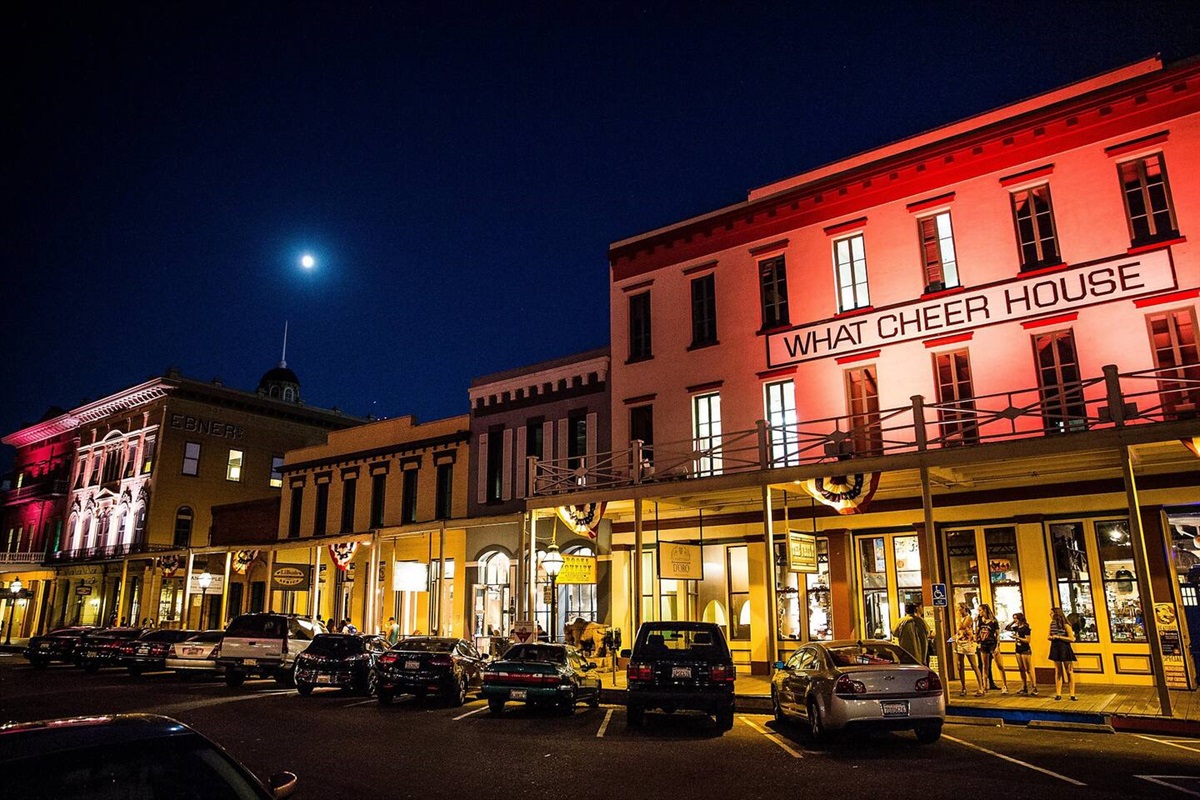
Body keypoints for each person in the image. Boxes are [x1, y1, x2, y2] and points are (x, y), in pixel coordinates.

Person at [953, 602, 986, 697]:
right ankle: (963, 687)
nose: (958, 610)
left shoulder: (968, 618)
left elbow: (961, 626)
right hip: (959, 642)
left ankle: (981, 687)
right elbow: (958, 631)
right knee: (960, 665)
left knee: (974, 665)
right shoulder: (958, 619)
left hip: (968, 643)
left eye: (959, 608)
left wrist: (959, 617)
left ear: (964, 609)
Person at [975, 604, 1008, 693]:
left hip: (992, 643)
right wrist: (975, 624)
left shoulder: (993, 621)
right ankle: (985, 685)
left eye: (980, 610)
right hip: (983, 644)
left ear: (985, 610)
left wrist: (997, 646)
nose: (979, 612)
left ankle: (1004, 685)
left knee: (999, 665)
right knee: (985, 665)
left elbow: (997, 634)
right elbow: (977, 632)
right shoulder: (980, 620)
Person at [1048, 607, 1077, 701]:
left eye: (1052, 613)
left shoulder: (1066, 625)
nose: (1050, 615)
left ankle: (1072, 694)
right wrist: (1051, 637)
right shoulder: (1052, 624)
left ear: (1057, 614)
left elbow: (1072, 639)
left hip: (1064, 647)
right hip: (1055, 647)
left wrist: (1059, 637)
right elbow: (1048, 635)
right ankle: (1058, 693)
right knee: (1058, 671)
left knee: (1069, 671)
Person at [1006, 612, 1037, 695]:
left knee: (1028, 669)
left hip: (1025, 650)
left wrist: (1017, 637)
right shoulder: (1017, 627)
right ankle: (1024, 686)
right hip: (1018, 649)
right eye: (1014, 618)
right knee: (1021, 669)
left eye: (1016, 618)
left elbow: (1027, 640)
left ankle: (1034, 687)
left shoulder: (1026, 628)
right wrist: (1013, 621)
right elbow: (1007, 628)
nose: (1015, 620)